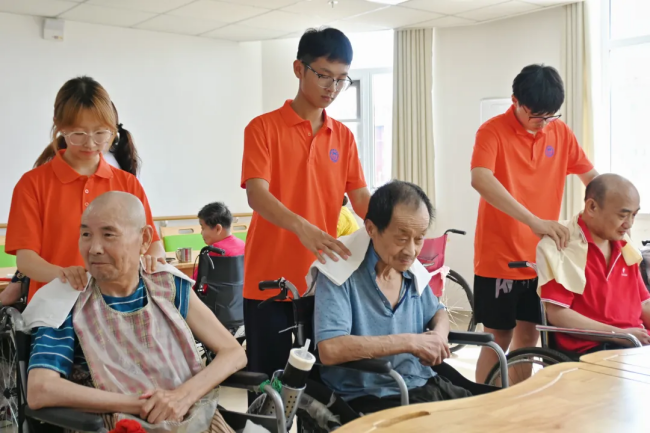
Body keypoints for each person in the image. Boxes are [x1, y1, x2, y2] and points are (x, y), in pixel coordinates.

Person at [27, 192, 246, 432]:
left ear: (144, 239)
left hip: (192, 417)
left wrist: (182, 397)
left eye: (109, 235)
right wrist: (141, 405)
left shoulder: (169, 286)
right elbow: (40, 389)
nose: (94, 248)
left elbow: (234, 352)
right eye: (86, 234)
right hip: (116, 423)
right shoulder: (66, 300)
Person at [240, 27, 371, 384]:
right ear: (299, 69)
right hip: (268, 283)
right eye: (324, 76)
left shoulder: (343, 137)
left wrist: (395, 226)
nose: (333, 88)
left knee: (319, 388)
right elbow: (257, 194)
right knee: (268, 388)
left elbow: (361, 198)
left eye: (341, 79)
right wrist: (303, 227)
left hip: (322, 283)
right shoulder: (262, 129)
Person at [471, 64, 599, 383]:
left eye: (550, 116)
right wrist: (533, 220)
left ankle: (519, 400)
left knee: (529, 337)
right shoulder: (492, 131)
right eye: (537, 116)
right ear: (515, 101)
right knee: (498, 337)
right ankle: (482, 401)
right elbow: (480, 178)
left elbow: (592, 179)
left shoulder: (560, 132)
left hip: (542, 258)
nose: (543, 123)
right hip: (499, 258)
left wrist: (610, 210)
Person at [314, 181, 475, 414]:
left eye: (419, 239)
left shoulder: (410, 270)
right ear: (371, 229)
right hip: (370, 397)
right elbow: (330, 349)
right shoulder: (339, 273)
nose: (411, 251)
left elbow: (438, 311)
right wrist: (410, 342)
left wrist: (439, 336)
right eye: (401, 238)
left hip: (423, 384)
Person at [5, 76, 166, 303]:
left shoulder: (127, 183)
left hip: (118, 306)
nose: (90, 144)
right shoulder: (32, 184)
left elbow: (153, 245)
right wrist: (64, 275)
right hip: (55, 309)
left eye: (100, 133)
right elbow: (26, 260)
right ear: (60, 126)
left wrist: (152, 259)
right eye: (78, 134)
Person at [539, 174, 650, 354]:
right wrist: (619, 334)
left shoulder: (624, 247)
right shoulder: (563, 245)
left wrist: (629, 337)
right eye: (623, 215)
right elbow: (558, 314)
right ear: (592, 207)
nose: (629, 224)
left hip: (633, 344)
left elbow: (644, 304)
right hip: (594, 349)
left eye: (634, 215)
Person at [192, 202, 246, 281]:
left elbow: (194, 283)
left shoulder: (215, 250)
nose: (201, 232)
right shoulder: (242, 244)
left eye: (203, 228)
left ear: (218, 229)